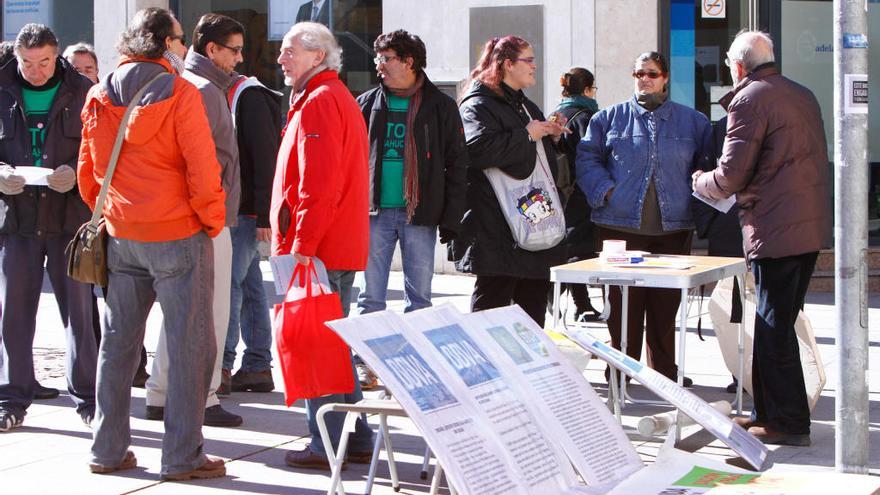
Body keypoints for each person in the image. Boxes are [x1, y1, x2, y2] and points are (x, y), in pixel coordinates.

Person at [79, 7, 227, 479]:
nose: (184, 47)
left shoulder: (98, 94)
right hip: (178, 233)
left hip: (123, 235)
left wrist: (114, 213)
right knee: (190, 347)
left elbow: (90, 173)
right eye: (180, 39)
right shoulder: (181, 93)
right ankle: (182, 455)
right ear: (163, 42)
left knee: (118, 346)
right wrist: (212, 219)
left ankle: (107, 449)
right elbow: (202, 168)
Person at [693, 31, 830, 446]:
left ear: (737, 67)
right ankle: (767, 413)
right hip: (804, 225)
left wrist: (702, 182)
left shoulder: (749, 98)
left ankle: (787, 422)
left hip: (777, 226)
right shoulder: (801, 93)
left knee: (773, 326)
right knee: (775, 321)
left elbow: (732, 173)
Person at [271, 21, 374, 470]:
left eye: (289, 51)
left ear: (317, 56)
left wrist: (302, 247)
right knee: (331, 343)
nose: (281, 59)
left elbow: (318, 184)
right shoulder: (326, 97)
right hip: (330, 243)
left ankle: (327, 443)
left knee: (314, 347)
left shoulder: (319, 101)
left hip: (319, 247)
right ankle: (355, 437)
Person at [577, 51, 712, 386]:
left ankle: (664, 373)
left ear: (665, 77)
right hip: (618, 226)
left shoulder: (693, 122)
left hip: (674, 226)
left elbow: (706, 164)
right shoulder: (607, 119)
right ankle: (619, 370)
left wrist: (697, 196)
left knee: (665, 307)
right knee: (622, 306)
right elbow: (587, 159)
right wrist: (606, 192)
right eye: (639, 74)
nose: (645, 80)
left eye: (651, 74)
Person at [144, 12, 243, 428]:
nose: (239, 58)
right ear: (212, 49)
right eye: (234, 50)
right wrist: (211, 214)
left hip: (199, 215)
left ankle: (162, 392)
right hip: (203, 217)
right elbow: (196, 161)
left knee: (185, 311)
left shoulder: (202, 85)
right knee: (209, 313)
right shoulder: (201, 89)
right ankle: (202, 399)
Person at [353, 29, 467, 387]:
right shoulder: (368, 102)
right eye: (378, 58)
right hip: (374, 211)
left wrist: (451, 218)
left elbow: (457, 164)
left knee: (419, 297)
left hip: (420, 213)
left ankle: (414, 368)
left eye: (386, 58)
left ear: (409, 61)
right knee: (370, 296)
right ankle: (367, 364)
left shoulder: (440, 105)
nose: (379, 65)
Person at [0, 23, 97, 431]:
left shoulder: (84, 90)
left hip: (68, 220)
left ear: (56, 55)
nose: (35, 72)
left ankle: (90, 400)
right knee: (13, 314)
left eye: (43, 62)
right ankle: (12, 398)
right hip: (16, 220)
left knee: (78, 312)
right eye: (27, 63)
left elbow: (104, 150)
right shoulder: (1, 87)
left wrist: (78, 172)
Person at [451, 35, 567, 327]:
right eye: (528, 60)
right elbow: (475, 151)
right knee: (492, 310)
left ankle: (530, 372)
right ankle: (487, 371)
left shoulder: (522, 104)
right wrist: (527, 135)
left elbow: (532, 153)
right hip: (495, 228)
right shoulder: (477, 104)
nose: (534, 66)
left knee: (533, 311)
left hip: (530, 224)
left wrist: (551, 136)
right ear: (507, 64)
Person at [62, 40, 153, 390]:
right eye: (75, 69)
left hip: (110, 215)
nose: (82, 75)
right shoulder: (77, 104)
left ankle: (136, 364)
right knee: (85, 300)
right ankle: (99, 366)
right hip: (77, 218)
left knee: (119, 298)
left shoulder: (109, 104)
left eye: (88, 69)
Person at [223, 47, 283, 395]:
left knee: (232, 285)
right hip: (241, 208)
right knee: (249, 284)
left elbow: (265, 157)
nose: (241, 57)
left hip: (243, 210)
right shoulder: (236, 91)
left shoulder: (248, 94)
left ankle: (225, 366)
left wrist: (263, 213)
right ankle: (258, 364)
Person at [554, 67, 601, 322]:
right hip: (581, 194)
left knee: (571, 249)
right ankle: (582, 305)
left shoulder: (556, 114)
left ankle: (573, 301)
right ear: (586, 90)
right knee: (581, 251)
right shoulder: (587, 116)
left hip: (560, 193)